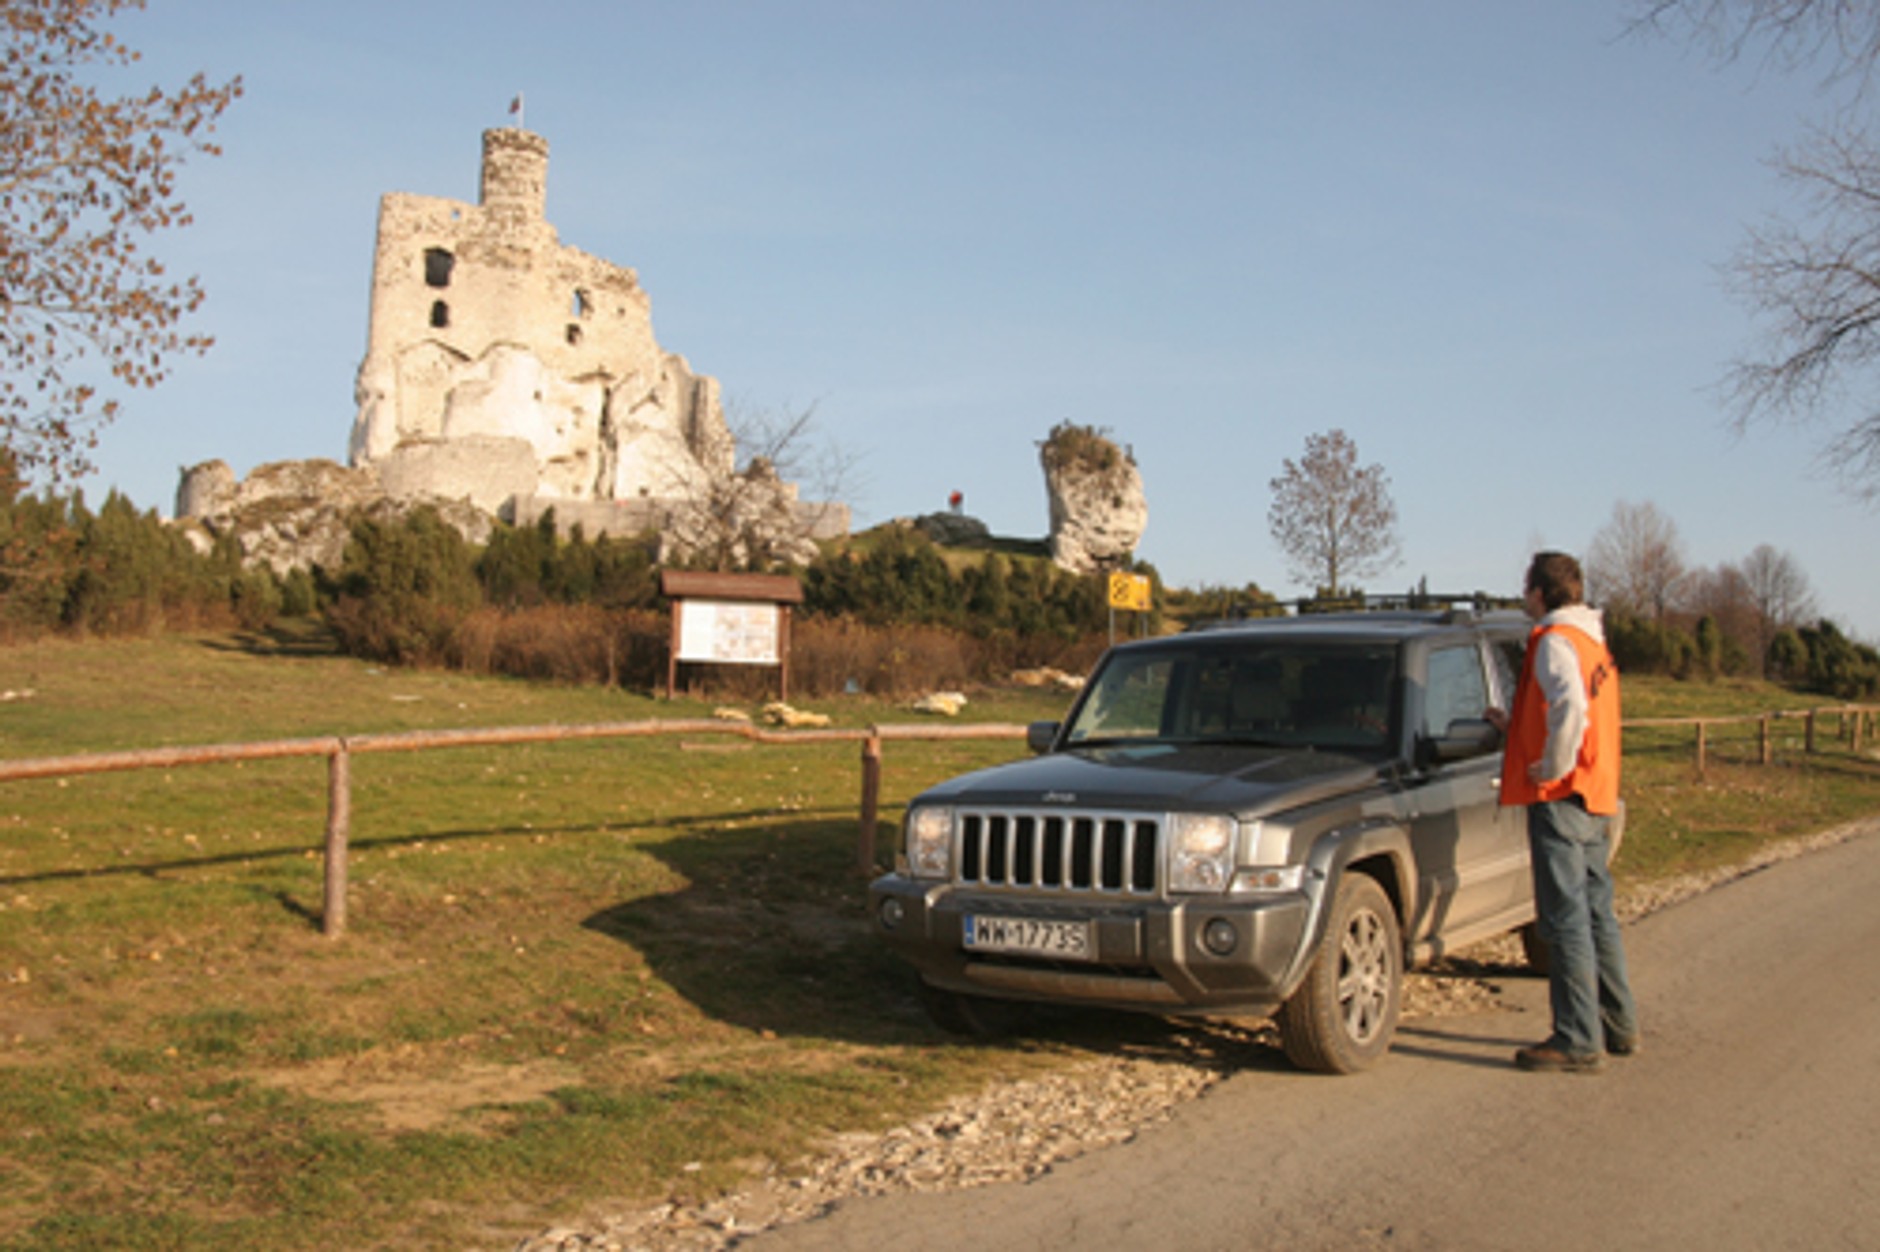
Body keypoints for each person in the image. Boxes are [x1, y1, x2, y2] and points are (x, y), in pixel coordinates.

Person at [1486, 551, 1639, 1073]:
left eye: (1526, 587)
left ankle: (1577, 1038)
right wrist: (1516, 728)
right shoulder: (1591, 639)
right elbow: (1578, 708)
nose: (1523, 596)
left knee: (1564, 918)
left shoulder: (1553, 640)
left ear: (1539, 592)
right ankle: (1618, 1024)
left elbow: (1570, 707)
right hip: (1596, 791)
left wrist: (1552, 765)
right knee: (1597, 913)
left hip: (1562, 795)